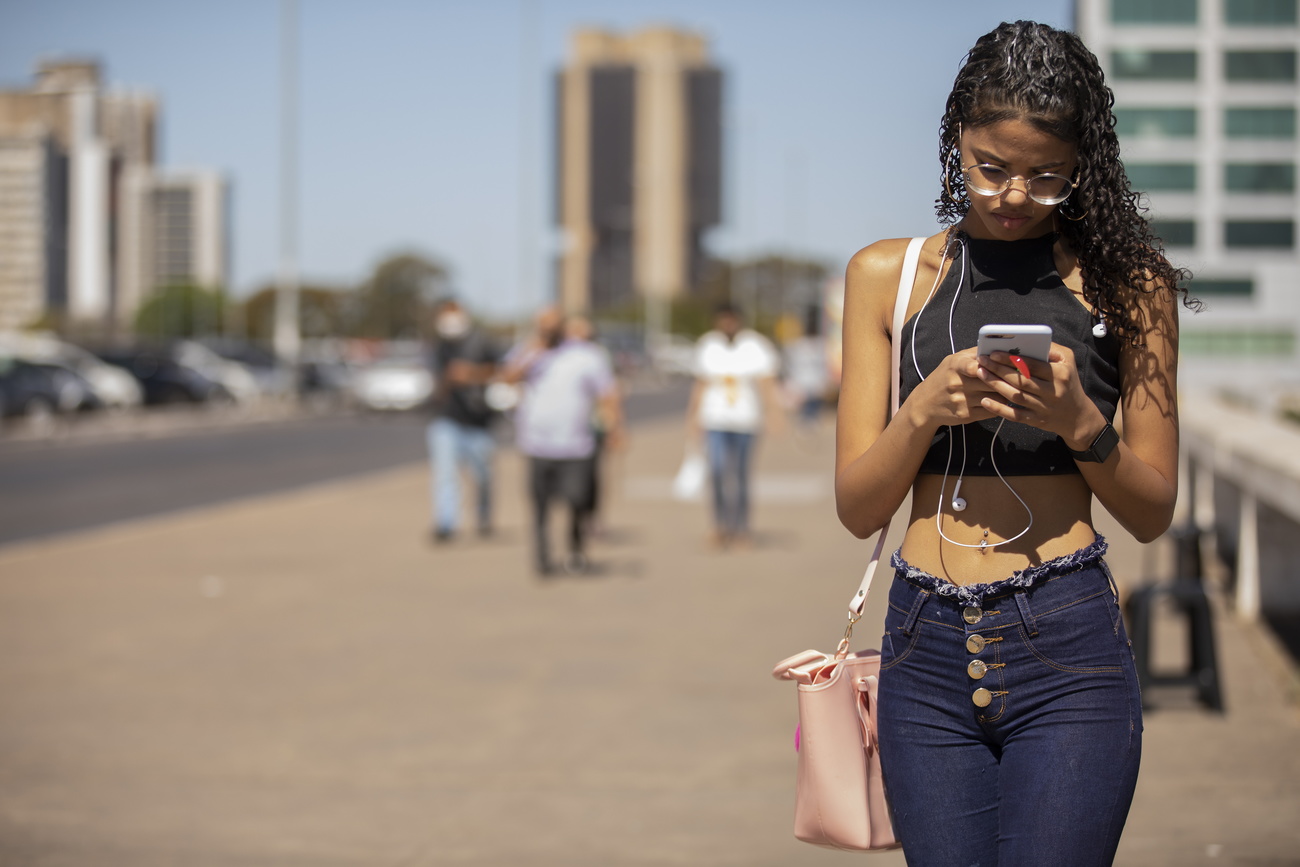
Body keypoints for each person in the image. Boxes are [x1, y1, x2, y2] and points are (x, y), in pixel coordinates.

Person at [834, 21, 1197, 866]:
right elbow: (857, 508)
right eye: (991, 166)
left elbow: (1151, 511)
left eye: (1047, 178)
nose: (1011, 195)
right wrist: (923, 408)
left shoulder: (1129, 285)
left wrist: (1080, 422)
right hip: (920, 644)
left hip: (1066, 640)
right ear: (955, 135)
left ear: (1083, 167)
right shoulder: (886, 276)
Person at [505, 308, 623, 577]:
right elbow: (507, 378)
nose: (547, 331)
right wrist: (531, 353)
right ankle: (542, 559)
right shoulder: (528, 352)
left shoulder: (586, 356)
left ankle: (576, 550)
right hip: (536, 444)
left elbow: (608, 392)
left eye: (552, 326)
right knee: (539, 506)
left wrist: (615, 427)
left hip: (575, 444)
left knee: (577, 500)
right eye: (542, 326)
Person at [686, 302, 782, 549]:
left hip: (746, 420)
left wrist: (774, 413)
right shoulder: (708, 345)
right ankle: (719, 525)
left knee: (740, 475)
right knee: (717, 471)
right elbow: (700, 383)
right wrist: (693, 416)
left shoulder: (755, 345)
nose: (727, 324)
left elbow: (766, 382)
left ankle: (741, 529)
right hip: (714, 419)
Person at [425, 298, 501, 543]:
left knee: (483, 476)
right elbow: (436, 388)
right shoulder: (438, 348)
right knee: (445, 474)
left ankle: (483, 518)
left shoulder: (482, 341)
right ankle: (446, 523)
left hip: (480, 421)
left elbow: (500, 371)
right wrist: (449, 378)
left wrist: (472, 374)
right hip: (447, 421)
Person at [782, 305, 831, 430]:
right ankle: (806, 419)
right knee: (806, 402)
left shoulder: (822, 344)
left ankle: (811, 419)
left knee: (813, 401)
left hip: (815, 380)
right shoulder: (799, 344)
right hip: (803, 380)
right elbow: (790, 362)